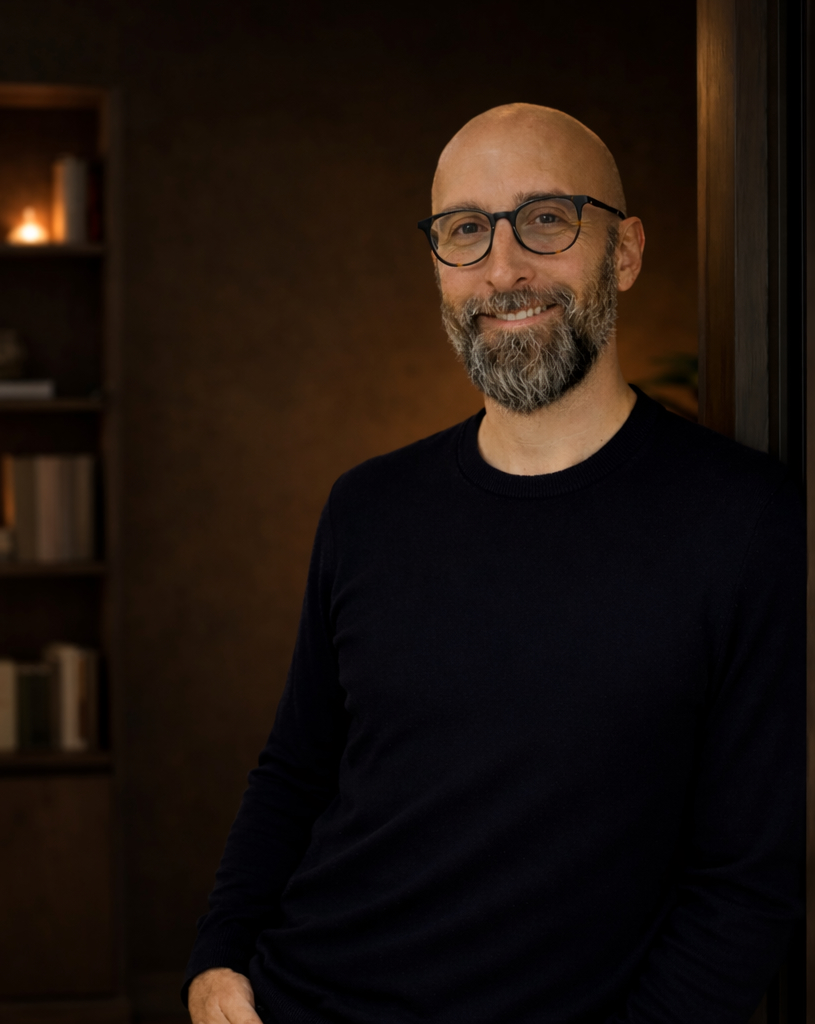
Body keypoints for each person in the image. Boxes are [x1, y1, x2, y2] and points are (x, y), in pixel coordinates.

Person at [183, 104, 805, 1024]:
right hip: (296, 998)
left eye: (546, 219)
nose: (504, 267)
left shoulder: (748, 520)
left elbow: (746, 880)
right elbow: (296, 771)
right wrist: (217, 961)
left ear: (624, 252)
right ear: (438, 266)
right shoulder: (367, 507)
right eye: (465, 231)